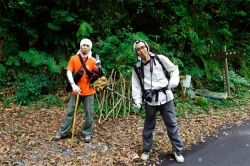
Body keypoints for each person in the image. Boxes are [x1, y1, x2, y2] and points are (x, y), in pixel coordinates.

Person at [131, 40, 184, 162]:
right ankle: (147, 149)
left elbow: (174, 69)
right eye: (138, 49)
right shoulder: (137, 68)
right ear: (136, 53)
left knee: (171, 124)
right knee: (148, 126)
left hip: (166, 97)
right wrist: (137, 100)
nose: (142, 50)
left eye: (143, 47)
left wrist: (174, 81)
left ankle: (177, 150)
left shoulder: (160, 59)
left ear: (147, 47)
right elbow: (136, 86)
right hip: (150, 100)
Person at [54, 38, 101, 143]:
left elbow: (99, 75)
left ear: (90, 48)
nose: (85, 47)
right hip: (76, 91)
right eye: (83, 45)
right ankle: (63, 132)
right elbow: (69, 72)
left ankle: (87, 133)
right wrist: (73, 84)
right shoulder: (74, 58)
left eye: (87, 46)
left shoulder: (93, 60)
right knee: (70, 112)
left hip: (89, 91)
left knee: (89, 113)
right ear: (80, 46)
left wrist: (99, 67)